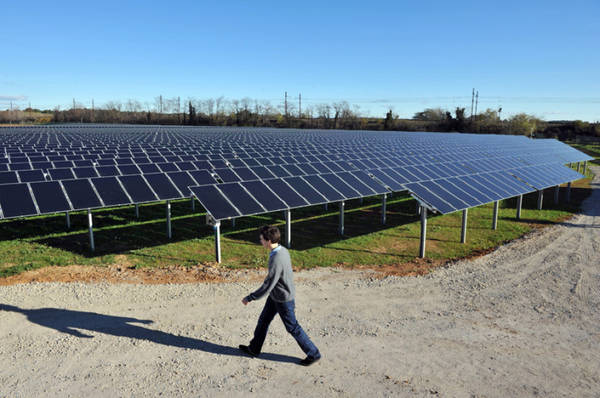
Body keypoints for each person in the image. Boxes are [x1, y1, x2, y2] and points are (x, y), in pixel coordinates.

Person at [240, 225, 321, 366]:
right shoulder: (283, 250)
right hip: (276, 295)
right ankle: (254, 348)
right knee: (263, 320)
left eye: (261, 239)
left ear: (268, 241)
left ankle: (313, 354)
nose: (260, 241)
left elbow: (268, 284)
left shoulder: (276, 258)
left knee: (293, 327)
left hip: (283, 299)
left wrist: (250, 297)